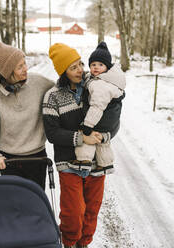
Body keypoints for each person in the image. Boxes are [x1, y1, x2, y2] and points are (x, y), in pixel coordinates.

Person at [42, 43, 122, 248]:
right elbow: (52, 133)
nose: (80, 70)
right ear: (63, 72)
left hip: (97, 162)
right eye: (73, 67)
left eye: (80, 64)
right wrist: (81, 138)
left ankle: (84, 244)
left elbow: (113, 120)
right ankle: (69, 243)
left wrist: (104, 136)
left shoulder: (95, 86)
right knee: (73, 212)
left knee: (91, 210)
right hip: (69, 161)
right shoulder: (53, 97)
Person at [0, 41, 54, 190]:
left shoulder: (39, 82)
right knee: (13, 205)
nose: (26, 69)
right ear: (7, 72)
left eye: (25, 63)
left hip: (36, 156)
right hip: (8, 159)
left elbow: (62, 91)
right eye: (20, 67)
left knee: (35, 203)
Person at [75, 41, 126, 175]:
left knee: (89, 137)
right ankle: (105, 165)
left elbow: (97, 107)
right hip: (110, 122)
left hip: (100, 119)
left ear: (107, 67)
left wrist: (88, 125)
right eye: (93, 65)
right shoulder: (107, 80)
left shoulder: (101, 85)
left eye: (100, 65)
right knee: (103, 143)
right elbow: (90, 78)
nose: (96, 68)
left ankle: (83, 161)